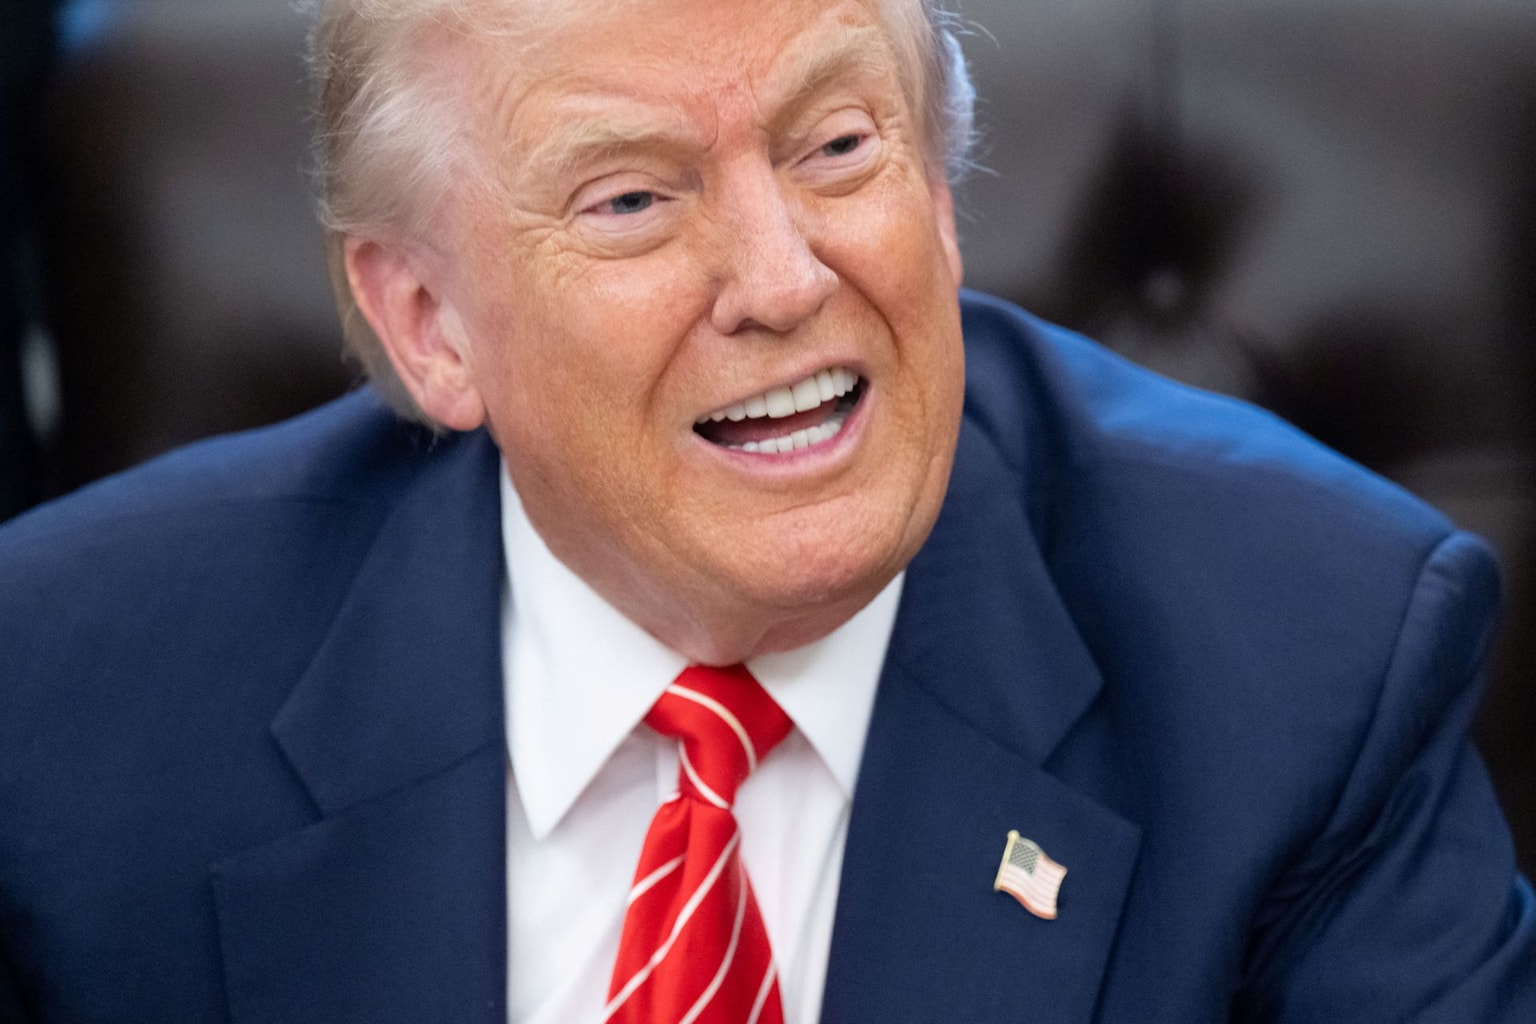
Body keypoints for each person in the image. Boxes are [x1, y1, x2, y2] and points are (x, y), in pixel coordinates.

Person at [0, 0, 1532, 1020]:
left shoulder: (1314, 658)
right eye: (631, 199)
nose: (785, 279)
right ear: (428, 324)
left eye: (838, 146)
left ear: (940, 193)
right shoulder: (59, 703)